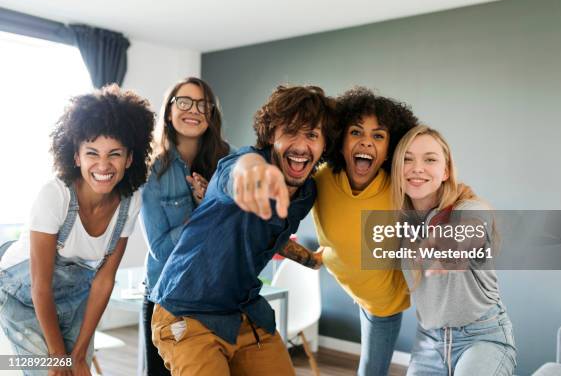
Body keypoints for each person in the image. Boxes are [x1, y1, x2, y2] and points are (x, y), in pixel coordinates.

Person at [149, 85, 336, 375]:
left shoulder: (307, 191)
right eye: (290, 132)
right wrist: (251, 173)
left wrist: (312, 259)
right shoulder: (243, 163)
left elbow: (274, 235)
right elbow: (238, 171)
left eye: (312, 135)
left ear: (324, 144)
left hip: (244, 313)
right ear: (271, 136)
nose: (301, 145)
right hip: (187, 312)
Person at [0, 85, 154, 376]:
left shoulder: (130, 201)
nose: (104, 165)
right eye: (92, 153)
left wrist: (80, 353)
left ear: (130, 158)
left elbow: (104, 281)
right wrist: (60, 358)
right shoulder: (55, 196)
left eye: (115, 154)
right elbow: (40, 287)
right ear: (77, 157)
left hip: (73, 297)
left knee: (78, 369)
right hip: (19, 296)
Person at [391, 125, 517, 375]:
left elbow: (472, 227)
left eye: (430, 159)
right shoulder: (399, 221)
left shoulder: (468, 207)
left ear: (445, 170)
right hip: (428, 343)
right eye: (407, 159)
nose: (417, 168)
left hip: (483, 337)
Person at [311, 86, 418, 376]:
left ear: (388, 151)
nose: (366, 142)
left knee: (371, 371)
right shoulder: (320, 180)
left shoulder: (400, 189)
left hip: (384, 304)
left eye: (378, 136)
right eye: (356, 132)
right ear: (341, 141)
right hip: (352, 283)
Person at [140, 77, 231, 375]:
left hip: (216, 295)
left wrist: (214, 202)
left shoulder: (225, 163)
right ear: (169, 111)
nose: (193, 110)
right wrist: (203, 213)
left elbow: (232, 232)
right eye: (184, 102)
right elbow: (160, 249)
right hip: (168, 297)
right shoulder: (152, 169)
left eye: (203, 104)